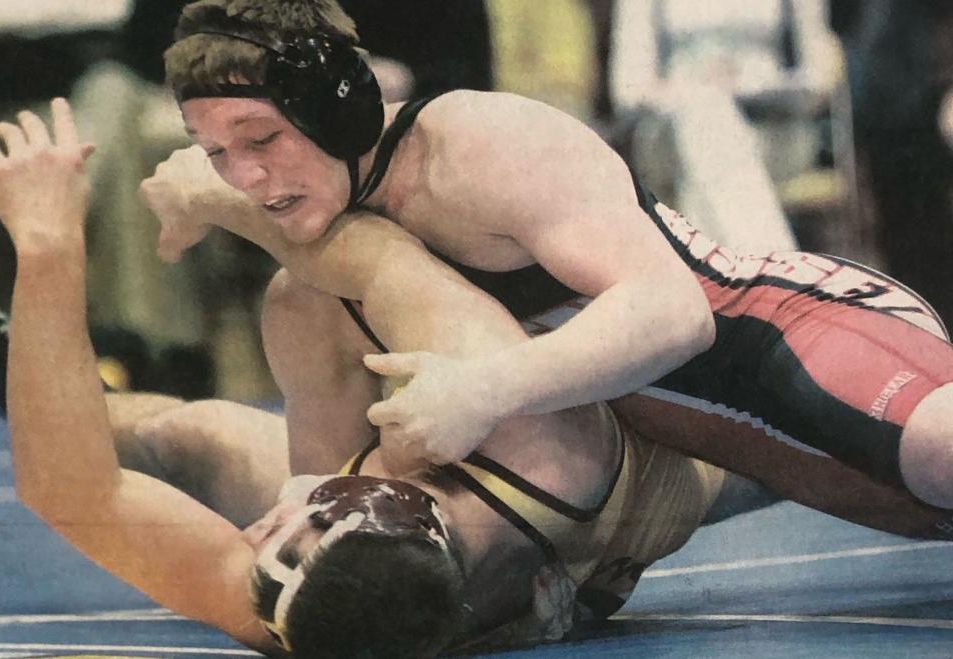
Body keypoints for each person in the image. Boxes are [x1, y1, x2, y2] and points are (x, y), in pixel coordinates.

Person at [0, 98, 740, 657]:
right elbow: (374, 256)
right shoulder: (518, 425)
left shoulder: (297, 606)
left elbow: (70, 486)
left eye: (263, 540)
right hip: (607, 479)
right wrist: (217, 198)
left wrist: (48, 244)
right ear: (380, 490)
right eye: (281, 525)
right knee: (735, 466)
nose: (253, 527)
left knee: (193, 434)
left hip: (553, 530)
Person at [150, 0, 953, 518]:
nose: (248, 177)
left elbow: (677, 314)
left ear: (341, 105)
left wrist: (486, 386)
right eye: (216, 151)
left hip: (792, 336)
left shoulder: (480, 147)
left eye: (262, 140)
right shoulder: (324, 225)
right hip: (724, 441)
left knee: (936, 454)